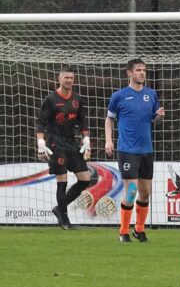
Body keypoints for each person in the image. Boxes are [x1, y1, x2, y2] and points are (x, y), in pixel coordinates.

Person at [104, 58, 165, 243]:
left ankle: (139, 229)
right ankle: (123, 231)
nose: (142, 73)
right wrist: (109, 141)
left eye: (144, 70)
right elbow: (109, 119)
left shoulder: (151, 94)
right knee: (131, 191)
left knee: (145, 192)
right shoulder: (119, 96)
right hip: (127, 149)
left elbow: (154, 121)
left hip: (146, 149)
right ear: (129, 73)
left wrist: (159, 117)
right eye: (138, 70)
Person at [36, 66, 92, 229]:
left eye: (71, 78)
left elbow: (82, 121)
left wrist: (86, 140)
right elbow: (41, 122)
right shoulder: (51, 99)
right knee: (62, 181)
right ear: (59, 78)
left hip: (72, 143)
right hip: (56, 144)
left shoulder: (77, 99)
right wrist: (41, 143)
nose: (69, 80)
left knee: (85, 179)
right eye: (66, 77)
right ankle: (65, 220)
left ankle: (59, 209)